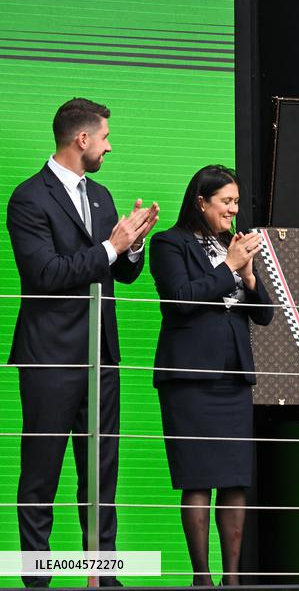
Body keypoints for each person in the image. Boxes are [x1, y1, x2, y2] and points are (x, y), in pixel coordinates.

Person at [6, 98, 158, 587]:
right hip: (50, 358)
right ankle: (37, 582)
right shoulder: (28, 198)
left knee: (100, 475)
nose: (109, 147)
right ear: (83, 138)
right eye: (105, 137)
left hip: (102, 356)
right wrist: (113, 246)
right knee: (41, 476)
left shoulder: (102, 196)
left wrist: (133, 244)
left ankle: (103, 578)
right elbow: (45, 274)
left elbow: (121, 273)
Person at [149, 165, 273, 586]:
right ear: (201, 202)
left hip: (233, 377)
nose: (233, 210)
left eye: (236, 202)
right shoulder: (169, 243)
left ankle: (231, 579)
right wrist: (229, 266)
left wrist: (249, 275)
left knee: (235, 480)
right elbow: (180, 300)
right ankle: (201, 578)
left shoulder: (232, 244)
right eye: (226, 201)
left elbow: (265, 315)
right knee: (198, 479)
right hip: (190, 380)